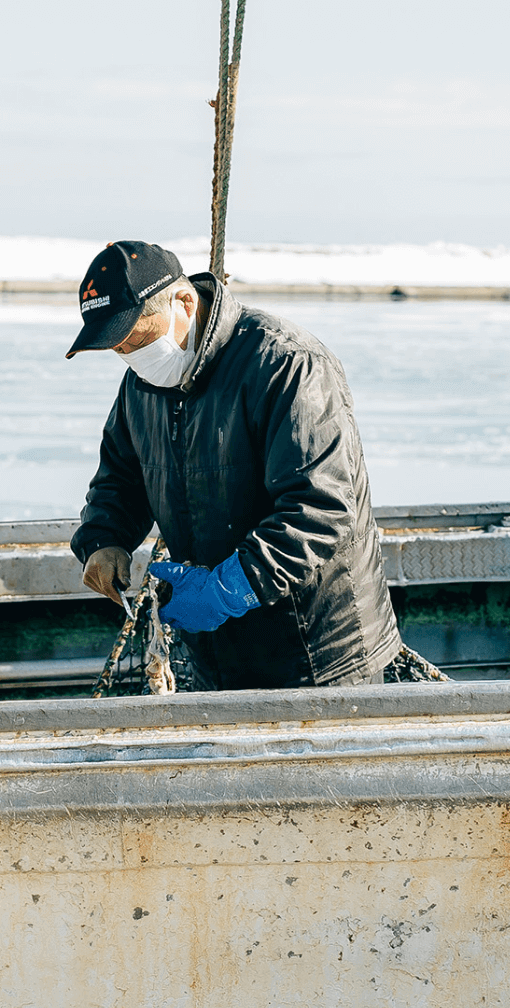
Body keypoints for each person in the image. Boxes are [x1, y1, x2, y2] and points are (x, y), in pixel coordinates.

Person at [66, 240, 418, 690]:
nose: (131, 355)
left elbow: (319, 510)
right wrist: (104, 539)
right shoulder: (142, 382)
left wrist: (227, 589)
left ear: (184, 302)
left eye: (136, 338)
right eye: (117, 347)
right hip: (216, 655)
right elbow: (120, 476)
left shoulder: (287, 364)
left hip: (317, 655)